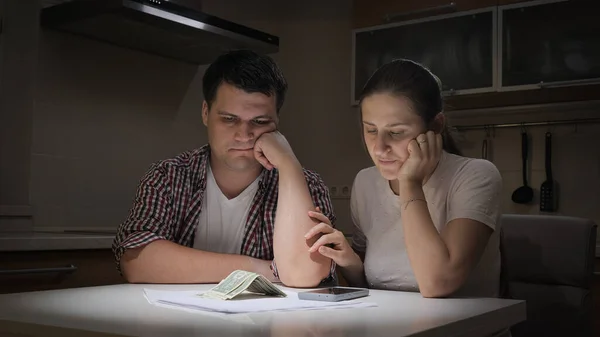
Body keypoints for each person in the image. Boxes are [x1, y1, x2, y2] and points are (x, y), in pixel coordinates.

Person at [112, 50, 336, 288]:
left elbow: (305, 273)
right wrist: (259, 269)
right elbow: (136, 259)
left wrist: (289, 164)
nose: (244, 135)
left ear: (276, 122)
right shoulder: (168, 176)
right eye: (229, 119)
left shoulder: (307, 185)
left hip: (267, 323)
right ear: (205, 113)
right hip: (178, 320)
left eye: (259, 122)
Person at [305, 59, 503, 299]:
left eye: (396, 132)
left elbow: (437, 283)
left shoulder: (475, 176)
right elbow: (377, 286)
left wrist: (410, 182)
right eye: (370, 130)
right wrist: (351, 262)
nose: (379, 148)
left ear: (436, 126)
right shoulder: (366, 182)